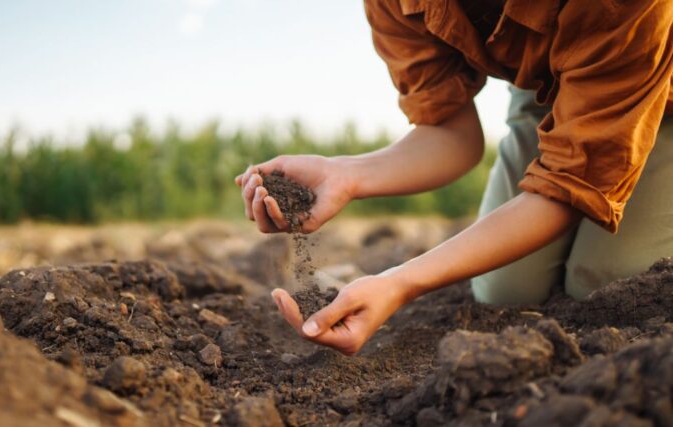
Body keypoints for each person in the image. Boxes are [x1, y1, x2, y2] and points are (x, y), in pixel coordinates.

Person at [235, 0, 673, 355]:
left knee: (607, 286)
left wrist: (400, 282)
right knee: (506, 291)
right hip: (551, 87)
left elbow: (568, 186)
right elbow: (451, 133)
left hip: (656, 81)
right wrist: (346, 174)